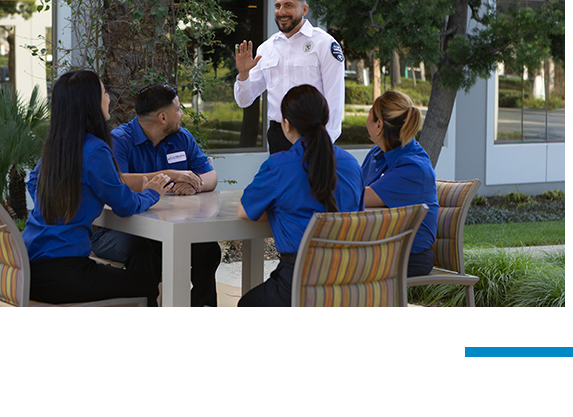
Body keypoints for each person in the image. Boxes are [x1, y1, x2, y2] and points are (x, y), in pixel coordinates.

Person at [23, 70, 169, 306]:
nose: (109, 97)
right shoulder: (95, 149)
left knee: (135, 268)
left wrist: (62, 205)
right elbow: (125, 205)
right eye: (104, 91)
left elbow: (32, 182)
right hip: (64, 274)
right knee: (146, 284)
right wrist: (152, 193)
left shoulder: (57, 145)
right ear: (90, 102)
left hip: (28, 271)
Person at [92, 83, 221, 307]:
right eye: (178, 109)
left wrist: (195, 185)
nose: (181, 114)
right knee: (142, 252)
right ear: (163, 117)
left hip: (169, 230)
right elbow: (117, 181)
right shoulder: (119, 140)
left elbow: (211, 175)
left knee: (208, 248)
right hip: (118, 230)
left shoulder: (182, 137)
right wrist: (169, 175)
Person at [237, 85, 364, 307]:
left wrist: (280, 211)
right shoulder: (352, 165)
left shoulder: (278, 166)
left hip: (300, 282)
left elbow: (244, 211)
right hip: (347, 281)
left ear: (286, 124)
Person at [234, 0, 346, 153]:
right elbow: (244, 100)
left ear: (304, 9)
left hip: (313, 135)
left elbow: (335, 99)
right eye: (277, 6)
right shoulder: (266, 49)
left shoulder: (324, 43)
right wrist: (244, 74)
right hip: (277, 137)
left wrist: (325, 143)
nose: (281, 12)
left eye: (288, 5)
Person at [360, 90, 438, 277]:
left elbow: (359, 197)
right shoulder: (377, 153)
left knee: (328, 266)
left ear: (379, 125)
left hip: (407, 257)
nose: (367, 117)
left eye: (370, 112)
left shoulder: (413, 168)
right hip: (381, 247)